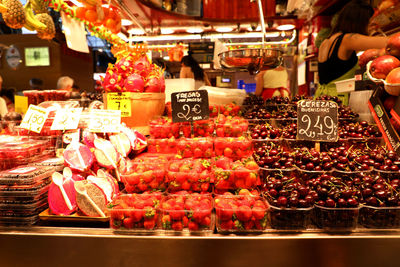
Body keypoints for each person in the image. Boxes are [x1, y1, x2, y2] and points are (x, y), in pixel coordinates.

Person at [316, 0, 388, 105]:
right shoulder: (348, 39)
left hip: (321, 99)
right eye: (370, 22)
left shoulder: (326, 41)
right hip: (339, 101)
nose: (371, 26)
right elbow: (388, 42)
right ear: (360, 21)